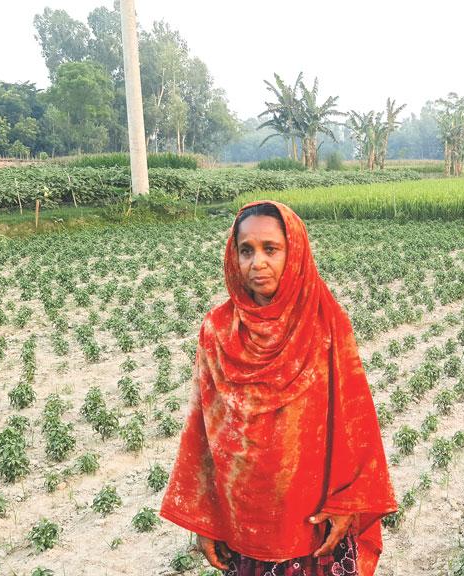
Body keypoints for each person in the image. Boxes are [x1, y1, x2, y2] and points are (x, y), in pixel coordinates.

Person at [160, 201, 398, 576]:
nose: (257, 263)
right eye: (246, 250)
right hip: (245, 518)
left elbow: (355, 420)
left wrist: (347, 501)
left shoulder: (325, 323)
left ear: (295, 253)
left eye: (271, 249)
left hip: (314, 519)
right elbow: (203, 434)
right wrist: (206, 519)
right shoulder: (217, 331)